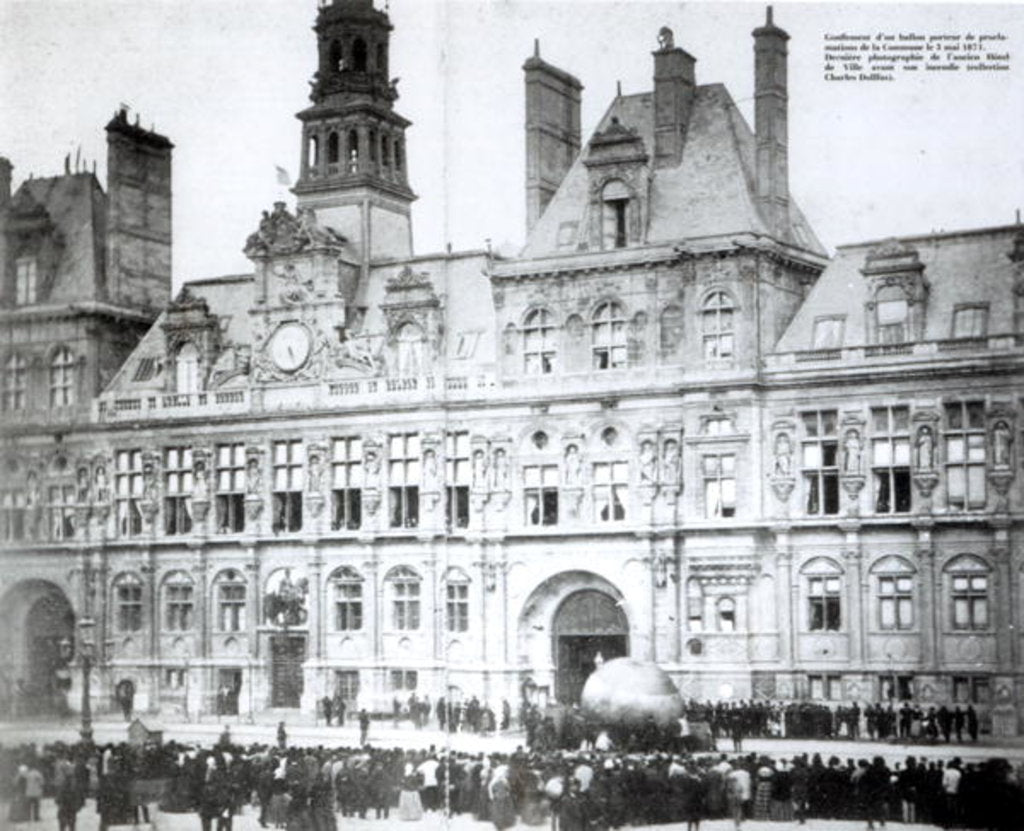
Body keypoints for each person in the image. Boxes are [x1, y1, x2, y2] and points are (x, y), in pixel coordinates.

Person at [725, 762, 751, 830]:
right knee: (740, 808)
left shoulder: (732, 774)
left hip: (734, 795)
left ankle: (736, 820)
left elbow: (728, 785)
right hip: (741, 794)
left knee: (735, 809)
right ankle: (741, 819)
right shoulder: (746, 773)